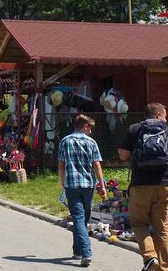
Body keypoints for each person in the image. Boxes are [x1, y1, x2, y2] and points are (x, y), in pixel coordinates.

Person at [118, 102, 168, 271]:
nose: (166, 119)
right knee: (161, 227)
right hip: (164, 186)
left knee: (139, 223)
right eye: (165, 116)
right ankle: (162, 268)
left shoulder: (134, 129)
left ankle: (150, 257)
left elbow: (123, 154)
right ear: (158, 115)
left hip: (140, 185)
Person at [58, 114, 107, 267]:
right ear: (84, 125)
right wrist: (102, 186)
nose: (91, 131)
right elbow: (97, 165)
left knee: (80, 219)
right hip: (88, 186)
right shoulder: (91, 142)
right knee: (82, 218)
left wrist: (62, 182)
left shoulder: (65, 141)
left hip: (72, 185)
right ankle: (83, 252)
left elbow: (61, 164)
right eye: (90, 127)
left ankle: (81, 251)